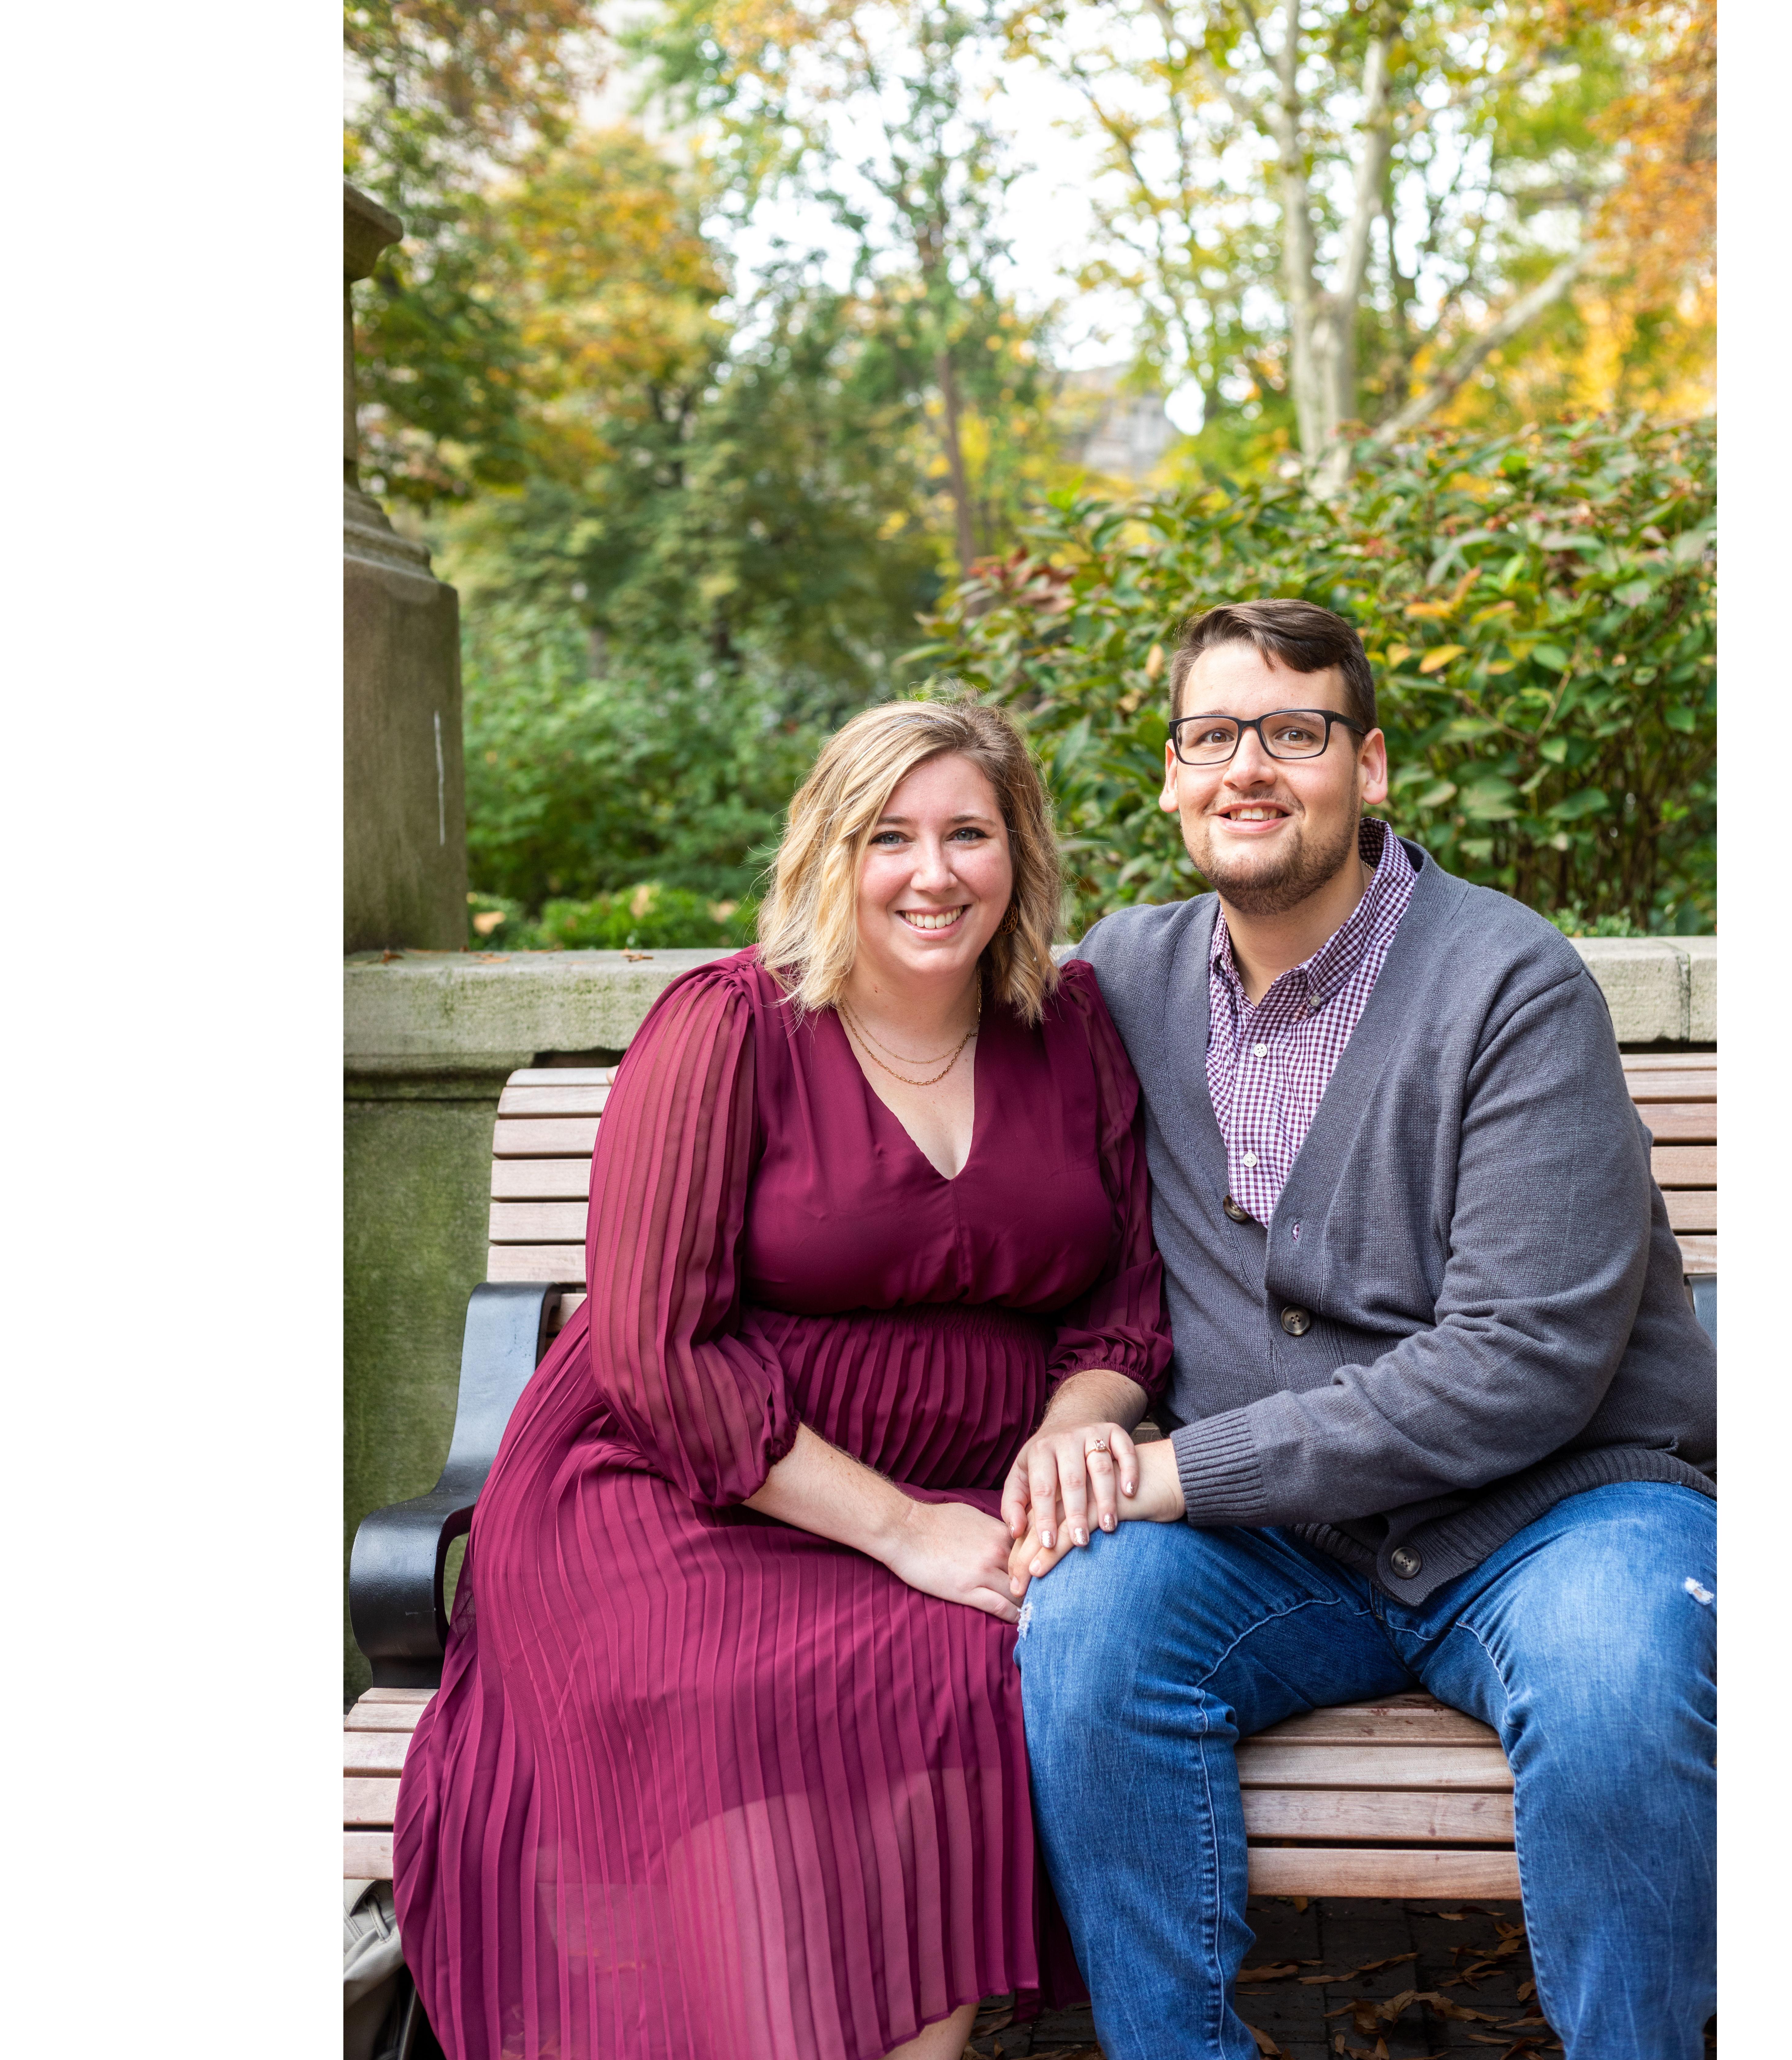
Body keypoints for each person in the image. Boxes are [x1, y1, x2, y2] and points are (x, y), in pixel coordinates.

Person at [393, 698, 1172, 2060]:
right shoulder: (730, 1026)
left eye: (970, 834)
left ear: (1020, 852)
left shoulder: (1071, 1023)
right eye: (892, 837)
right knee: (744, 1693)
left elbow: (1123, 1310)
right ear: (830, 851)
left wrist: (1071, 1426)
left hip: (965, 1494)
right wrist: (905, 1530)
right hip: (680, 1486)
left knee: (972, 1673)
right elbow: (655, 1350)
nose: (933, 874)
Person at [1008, 600, 1717, 2060]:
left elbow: (1523, 1360)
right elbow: (920, 1050)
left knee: (1624, 1675)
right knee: (1086, 1632)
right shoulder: (1122, 982)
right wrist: (1082, 1418)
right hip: (1285, 1557)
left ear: (1371, 766)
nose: (1248, 769)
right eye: (1213, 736)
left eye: (1296, 732)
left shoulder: (1514, 985)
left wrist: (1169, 1473)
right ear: (1169, 777)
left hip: (1551, 1515)